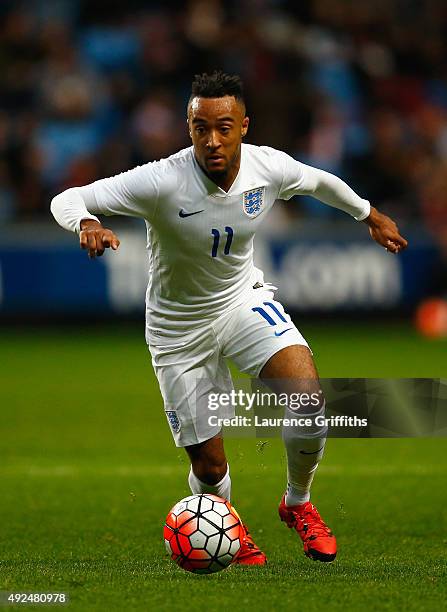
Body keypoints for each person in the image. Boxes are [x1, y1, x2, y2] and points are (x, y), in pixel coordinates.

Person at [51, 71, 408, 566]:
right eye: (200, 128)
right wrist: (85, 220)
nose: (211, 140)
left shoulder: (268, 167)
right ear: (188, 127)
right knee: (211, 464)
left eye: (223, 127)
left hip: (241, 302)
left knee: (307, 396)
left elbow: (320, 182)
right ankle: (228, 530)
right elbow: (66, 198)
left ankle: (298, 504)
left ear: (244, 125)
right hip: (178, 333)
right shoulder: (161, 180)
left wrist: (368, 213)